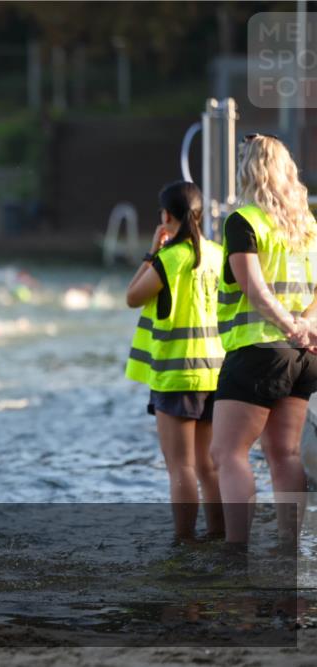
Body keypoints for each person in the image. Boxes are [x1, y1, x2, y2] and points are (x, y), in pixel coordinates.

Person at [209, 134, 317, 546]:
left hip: (259, 350)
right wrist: (305, 327)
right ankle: (290, 548)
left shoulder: (245, 220)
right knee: (284, 454)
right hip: (304, 354)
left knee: (228, 453)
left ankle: (237, 554)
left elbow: (253, 289)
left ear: (249, 169)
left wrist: (290, 326)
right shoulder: (306, 222)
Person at [125, 181, 225, 541]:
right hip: (216, 373)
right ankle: (219, 536)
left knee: (180, 467)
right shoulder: (217, 254)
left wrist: (151, 253)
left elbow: (132, 297)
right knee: (209, 466)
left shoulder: (168, 260)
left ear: (166, 217)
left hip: (177, 375)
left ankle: (183, 543)